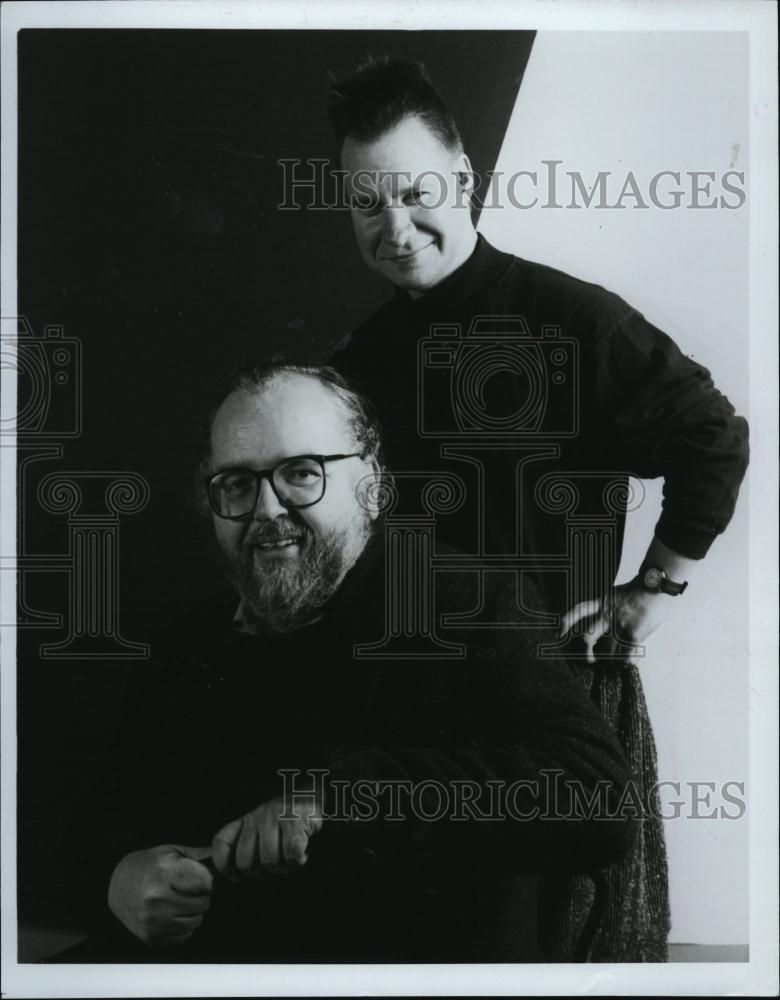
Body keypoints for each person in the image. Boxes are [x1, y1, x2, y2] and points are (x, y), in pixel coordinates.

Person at [324, 56, 750, 960]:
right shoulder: (357, 361)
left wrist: (654, 590)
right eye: (368, 204)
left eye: (416, 192)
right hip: (405, 714)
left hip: (550, 718)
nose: (395, 228)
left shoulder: (572, 320)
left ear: (463, 178)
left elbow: (712, 435)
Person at [61, 362, 635, 964]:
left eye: (302, 473)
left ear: (375, 486)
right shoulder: (186, 647)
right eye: (235, 483)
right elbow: (97, 825)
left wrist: (336, 793)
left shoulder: (472, 601)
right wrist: (118, 879)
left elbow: (599, 802)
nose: (266, 510)